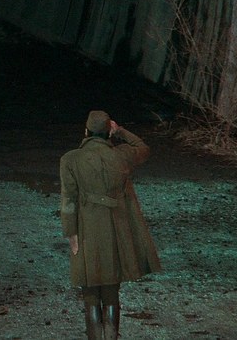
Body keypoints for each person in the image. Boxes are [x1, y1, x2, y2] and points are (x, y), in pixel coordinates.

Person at [59, 110, 162, 339]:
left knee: (90, 291)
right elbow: (143, 147)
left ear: (86, 132)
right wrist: (121, 131)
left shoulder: (70, 159)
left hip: (86, 228)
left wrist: (71, 233)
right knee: (111, 290)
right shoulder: (122, 155)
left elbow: (68, 199)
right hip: (116, 228)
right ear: (108, 132)